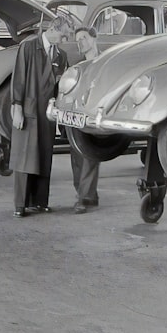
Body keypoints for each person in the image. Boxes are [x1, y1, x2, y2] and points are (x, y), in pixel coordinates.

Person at [9, 13, 75, 217]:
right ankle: (20, 204)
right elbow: (19, 78)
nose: (64, 41)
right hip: (28, 108)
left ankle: (40, 201)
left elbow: (60, 85)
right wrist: (17, 107)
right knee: (24, 157)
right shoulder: (28, 47)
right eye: (63, 36)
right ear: (53, 30)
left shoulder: (60, 56)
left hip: (46, 112)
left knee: (44, 155)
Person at [70, 26, 101, 214]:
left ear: (94, 38)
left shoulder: (107, 61)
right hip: (76, 115)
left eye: (83, 38)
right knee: (77, 157)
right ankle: (89, 194)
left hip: (95, 114)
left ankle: (82, 197)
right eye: (77, 40)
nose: (79, 42)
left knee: (90, 155)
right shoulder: (76, 65)